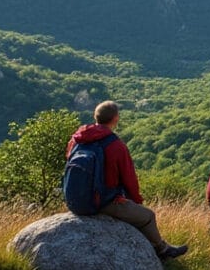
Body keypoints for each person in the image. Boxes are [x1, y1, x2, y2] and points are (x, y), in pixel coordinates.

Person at [65, 101, 188, 260]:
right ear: (115, 118)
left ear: (96, 117)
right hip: (103, 202)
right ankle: (163, 250)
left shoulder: (78, 139)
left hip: (74, 199)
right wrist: (136, 201)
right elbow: (129, 178)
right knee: (148, 216)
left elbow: (69, 160)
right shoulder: (115, 145)